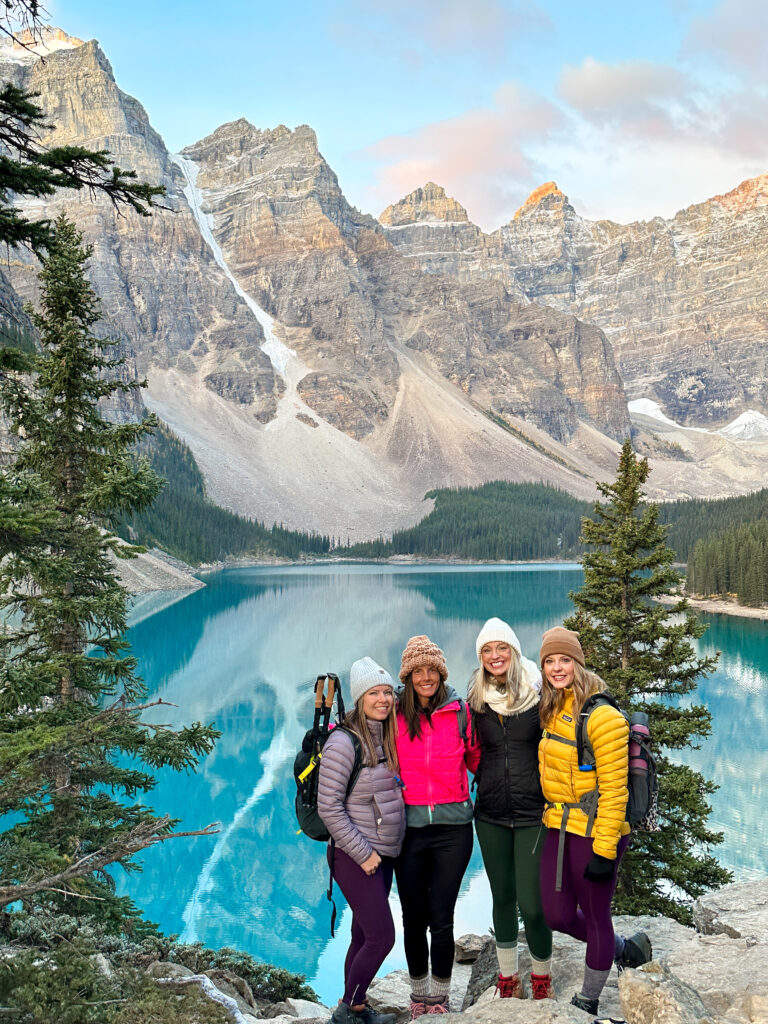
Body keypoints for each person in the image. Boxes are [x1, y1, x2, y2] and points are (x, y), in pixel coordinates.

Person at [537, 626, 652, 1016]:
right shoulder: (552, 706)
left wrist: (604, 850)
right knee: (555, 913)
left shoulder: (601, 715)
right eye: (549, 661)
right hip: (559, 825)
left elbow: (616, 791)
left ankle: (589, 998)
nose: (556, 668)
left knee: (597, 914)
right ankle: (623, 948)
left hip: (595, 828)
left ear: (578, 663)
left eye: (564, 660)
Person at [469, 617, 554, 1000]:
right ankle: (507, 980)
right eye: (487, 650)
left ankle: (541, 979)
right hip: (489, 815)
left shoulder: (540, 694)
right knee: (502, 896)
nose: (494, 656)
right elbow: (468, 751)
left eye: (501, 648)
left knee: (533, 904)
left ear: (514, 651)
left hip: (534, 813)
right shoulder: (476, 699)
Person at [394, 635, 480, 1017]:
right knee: (413, 917)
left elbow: (480, 760)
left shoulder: (460, 713)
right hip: (407, 830)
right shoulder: (392, 715)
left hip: (453, 830)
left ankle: (440, 998)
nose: (426, 677)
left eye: (432, 670)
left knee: (441, 917)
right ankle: (418, 996)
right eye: (418, 671)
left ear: (441, 674)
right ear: (408, 677)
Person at [317, 657, 405, 1024]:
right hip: (357, 857)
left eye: (387, 692)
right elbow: (328, 807)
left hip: (382, 854)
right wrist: (364, 853)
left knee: (362, 933)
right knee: (382, 938)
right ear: (359, 697)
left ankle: (355, 1006)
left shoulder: (383, 734)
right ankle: (345, 1013)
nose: (383, 699)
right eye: (374, 693)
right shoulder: (344, 741)